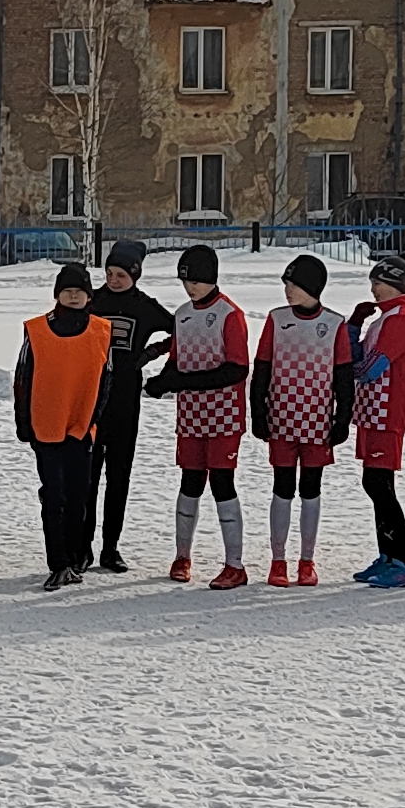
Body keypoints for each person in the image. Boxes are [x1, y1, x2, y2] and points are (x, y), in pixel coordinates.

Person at [139, 244, 252, 589]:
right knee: (189, 482)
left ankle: (235, 564)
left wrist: (183, 381)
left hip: (223, 416)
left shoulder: (230, 315)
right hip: (190, 415)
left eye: (197, 282)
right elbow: (178, 357)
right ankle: (182, 555)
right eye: (185, 281)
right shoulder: (183, 315)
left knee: (221, 482)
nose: (190, 288)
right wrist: (162, 380)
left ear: (212, 279)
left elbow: (236, 370)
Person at [246, 252, 357, 588]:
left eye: (293, 284)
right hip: (282, 419)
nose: (287, 290)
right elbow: (262, 368)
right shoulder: (276, 320)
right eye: (285, 284)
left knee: (311, 489)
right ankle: (278, 560)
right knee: (282, 488)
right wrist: (258, 411)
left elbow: (343, 376)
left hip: (316, 422)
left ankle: (306, 560)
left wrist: (342, 419)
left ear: (312, 288)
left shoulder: (335, 324)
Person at [12, 264, 117, 589]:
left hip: (81, 426)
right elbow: (22, 379)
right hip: (46, 426)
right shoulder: (37, 330)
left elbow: (107, 379)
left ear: (89, 295)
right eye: (67, 289)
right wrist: (23, 422)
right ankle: (57, 561)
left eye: (80, 289)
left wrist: (94, 419)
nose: (73, 295)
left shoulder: (101, 331)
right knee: (54, 496)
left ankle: (74, 558)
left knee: (79, 495)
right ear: (57, 294)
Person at [82, 239, 177, 572]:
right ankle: (83, 547)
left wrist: (152, 354)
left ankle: (111, 548)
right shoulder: (93, 300)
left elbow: (181, 330)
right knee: (88, 478)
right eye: (109, 272)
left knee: (118, 477)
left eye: (121, 274)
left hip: (126, 401)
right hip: (92, 402)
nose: (114, 279)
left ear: (135, 274)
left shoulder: (144, 306)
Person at [345, 256, 405, 589]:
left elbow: (367, 368)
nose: (374, 289)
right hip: (370, 411)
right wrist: (353, 327)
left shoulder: (401, 320)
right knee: (373, 483)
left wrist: (350, 368)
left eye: (379, 282)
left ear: (396, 284)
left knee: (380, 484)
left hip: (387, 413)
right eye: (373, 283)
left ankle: (402, 561)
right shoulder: (384, 319)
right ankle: (388, 555)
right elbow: (358, 358)